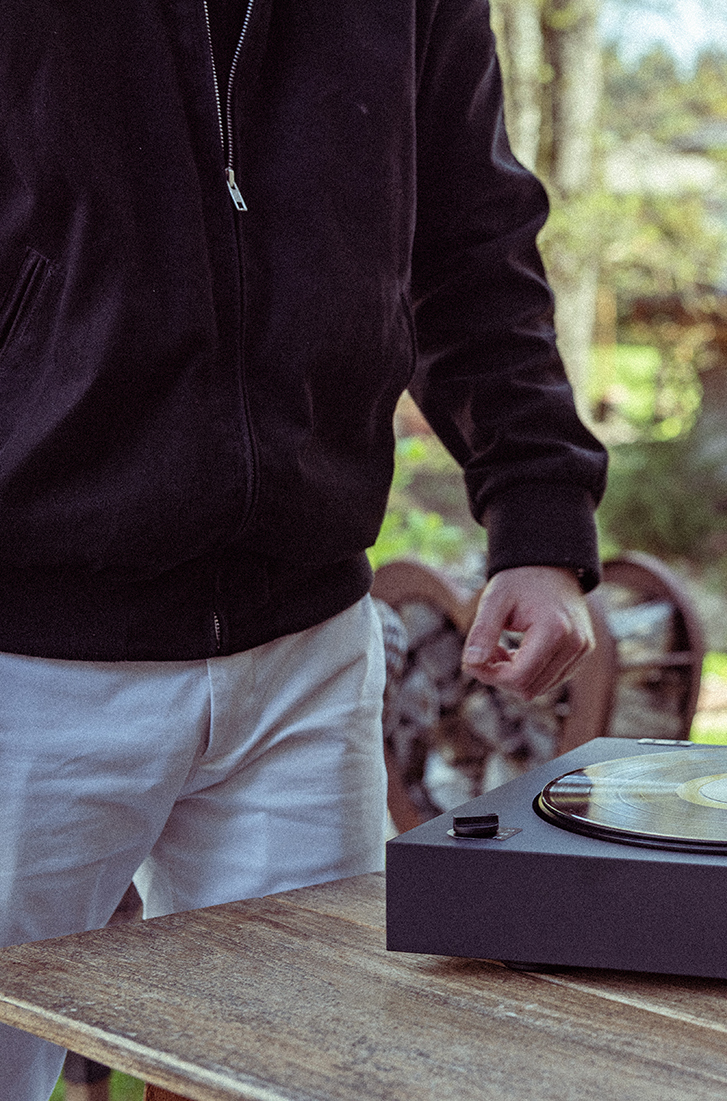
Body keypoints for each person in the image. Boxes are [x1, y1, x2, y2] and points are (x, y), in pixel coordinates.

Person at [0, 1, 608, 1095]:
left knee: (320, 1075)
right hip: (25, 665)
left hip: (305, 658)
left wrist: (540, 517)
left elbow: (471, 242)